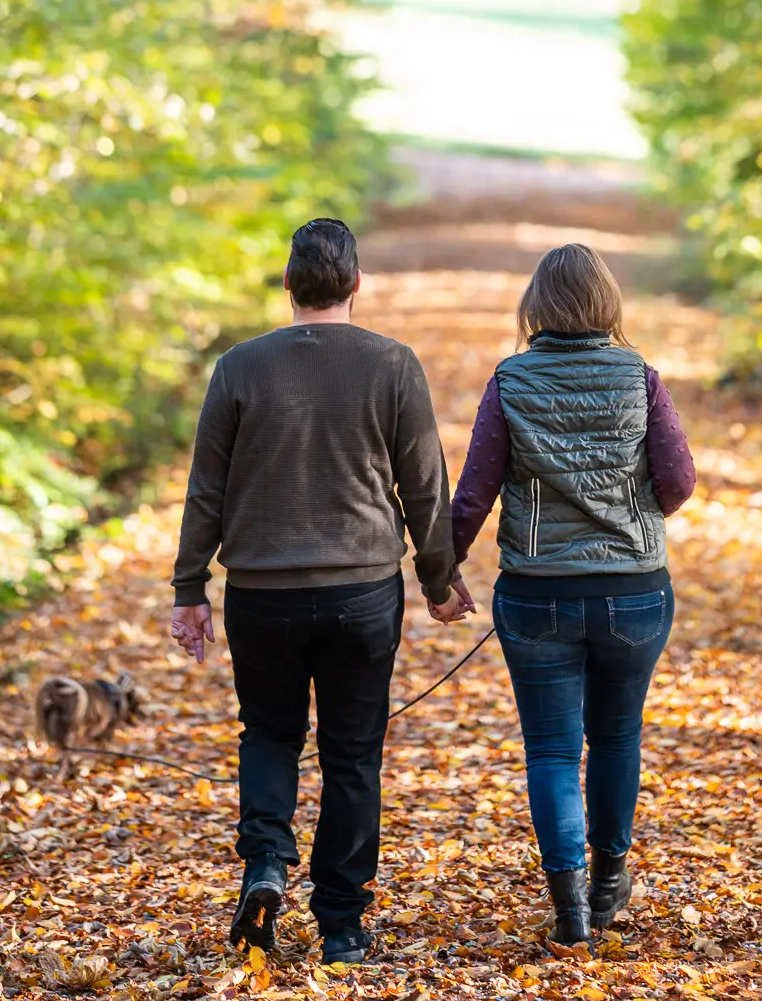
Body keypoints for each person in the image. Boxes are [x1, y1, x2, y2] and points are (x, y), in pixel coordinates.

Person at [169, 218, 474, 966]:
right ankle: (341, 924)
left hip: (261, 594)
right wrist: (438, 579)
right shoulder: (392, 363)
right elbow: (425, 485)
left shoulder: (239, 366)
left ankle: (266, 862)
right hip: (361, 592)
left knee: (268, 734)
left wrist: (190, 587)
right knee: (353, 754)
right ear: (356, 284)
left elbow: (207, 487)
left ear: (288, 284)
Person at [451, 243, 695, 945]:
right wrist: (632, 514)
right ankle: (610, 879)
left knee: (553, 751)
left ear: (537, 306)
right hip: (634, 593)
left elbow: (475, 493)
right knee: (616, 735)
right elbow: (678, 481)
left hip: (538, 595)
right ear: (606, 303)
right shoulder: (638, 377)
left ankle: (570, 909)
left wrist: (442, 569)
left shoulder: (512, 379)